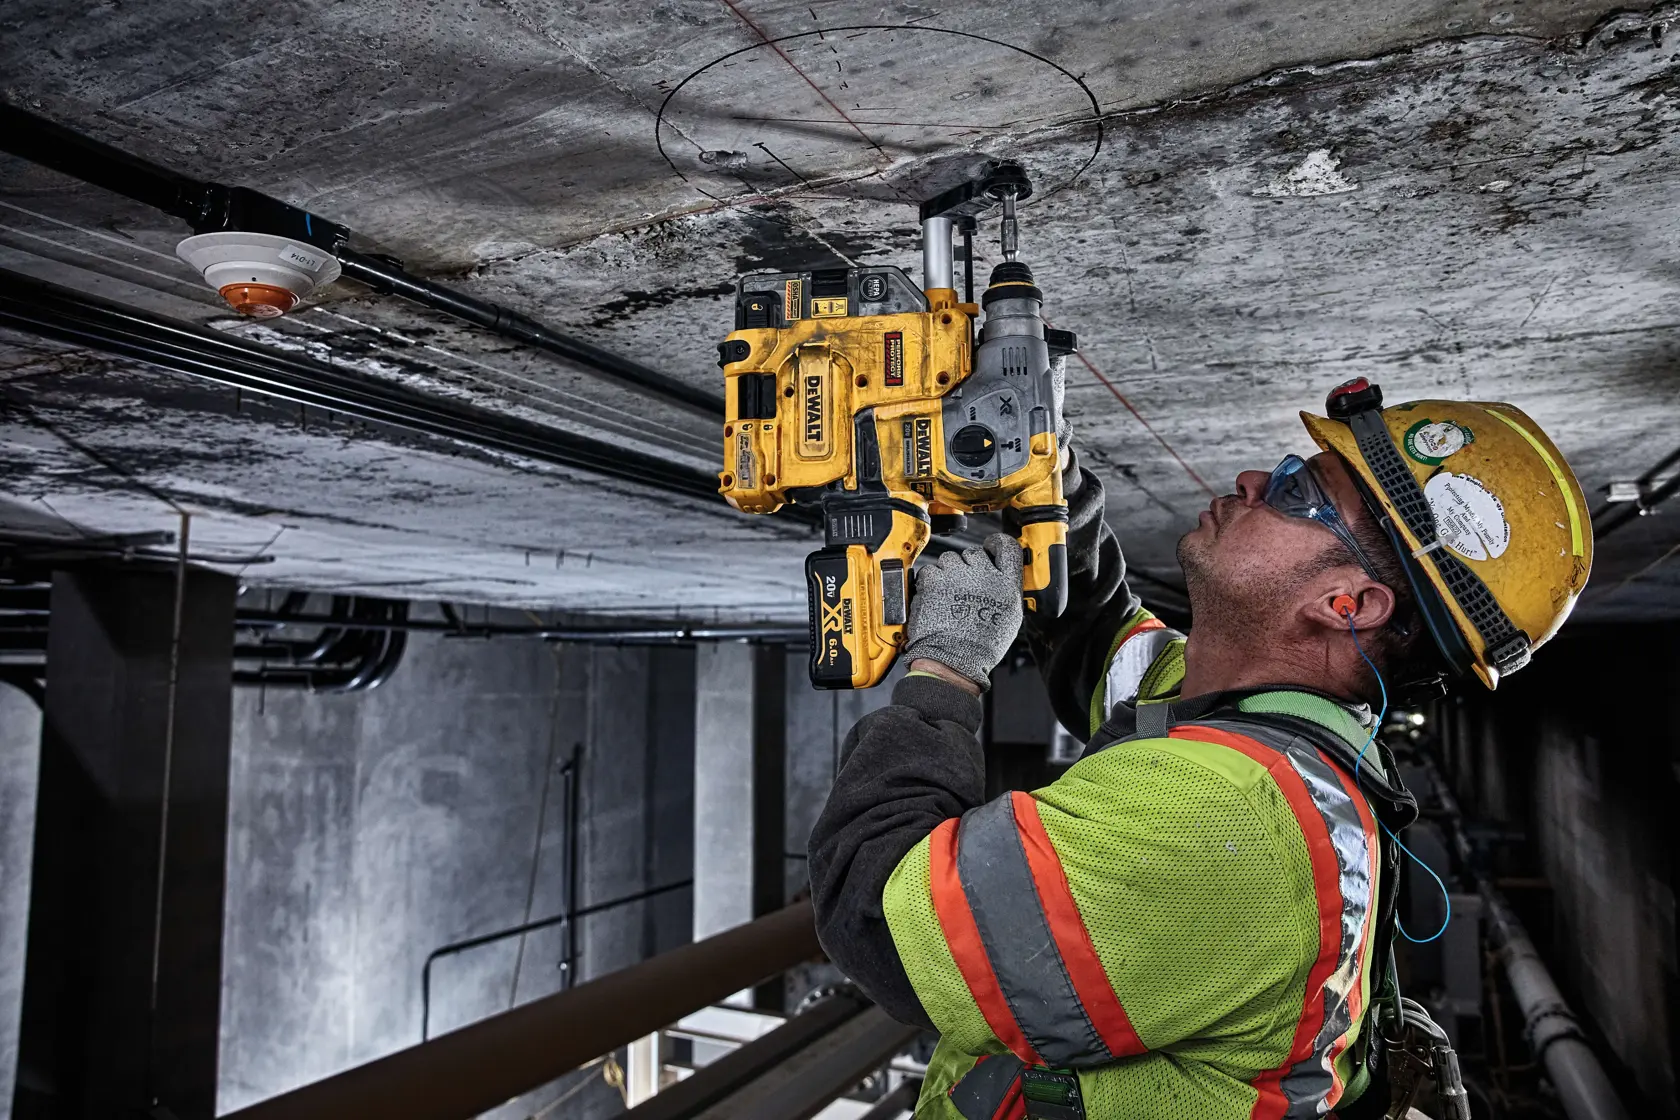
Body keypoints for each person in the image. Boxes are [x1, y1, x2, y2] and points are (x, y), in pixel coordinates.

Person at [809, 377, 1591, 1119]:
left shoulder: (1230, 821)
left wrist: (944, 671)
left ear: (1345, 603)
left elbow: (877, 917)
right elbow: (1100, 641)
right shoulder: (1254, 713)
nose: (1254, 478)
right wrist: (1043, 468)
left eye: (1297, 491)